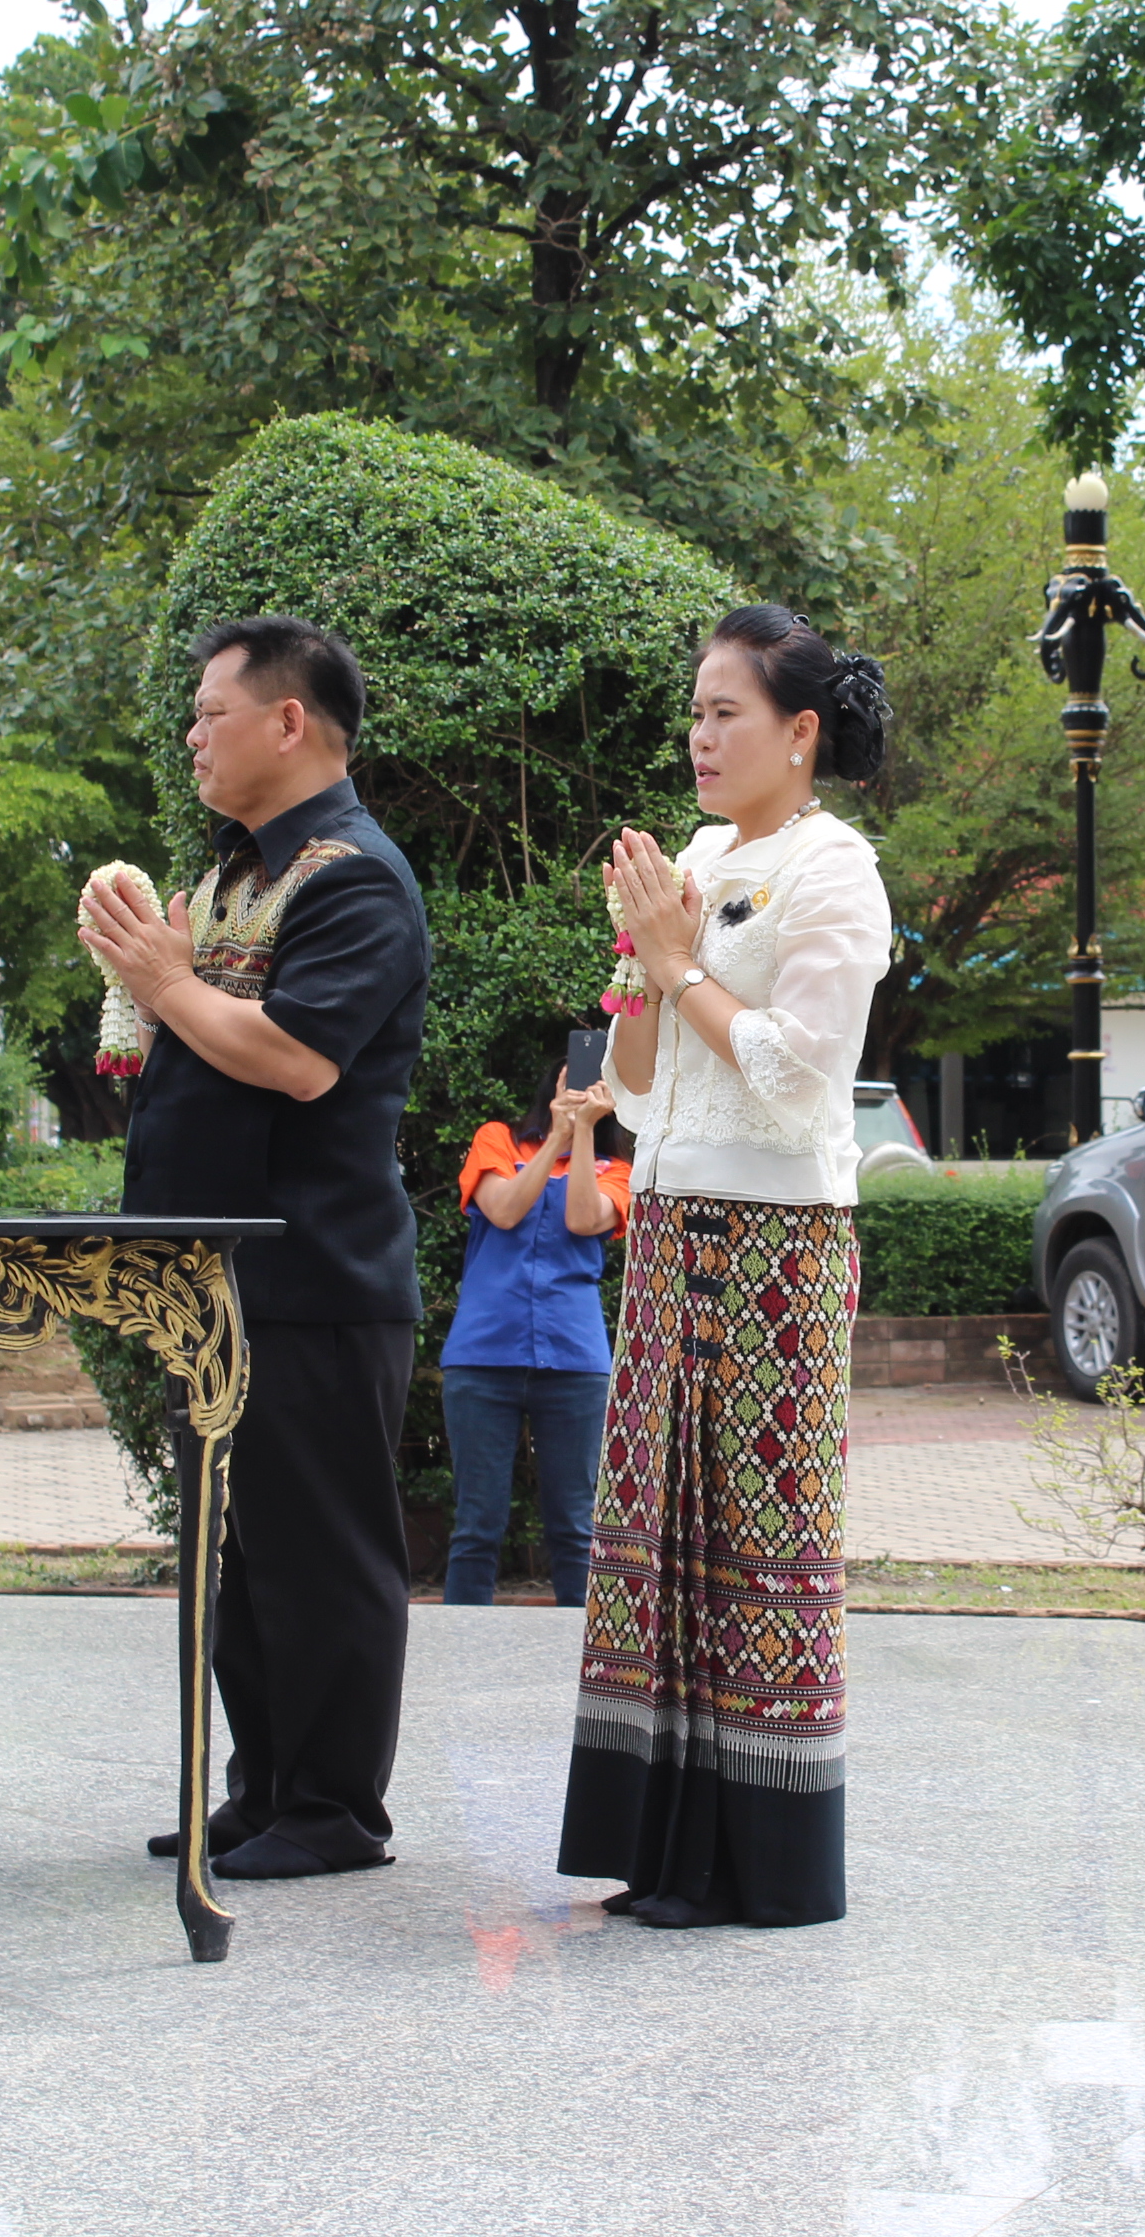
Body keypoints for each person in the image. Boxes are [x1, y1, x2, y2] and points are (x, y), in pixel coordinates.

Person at [79, 614, 430, 1882]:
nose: (193, 736)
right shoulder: (229, 876)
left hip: (314, 1271)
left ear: (290, 721)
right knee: (235, 1551)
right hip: (211, 1276)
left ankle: (336, 1810)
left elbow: (295, 1058)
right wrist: (145, 969)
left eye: (210, 713)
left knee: (322, 1554)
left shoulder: (357, 878)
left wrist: (168, 983)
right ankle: (265, 1786)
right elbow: (181, 1042)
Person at [557, 605, 893, 1929]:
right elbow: (639, 1093)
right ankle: (667, 1846)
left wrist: (677, 960)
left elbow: (800, 1072)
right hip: (673, 1223)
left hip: (777, 1241)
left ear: (799, 734)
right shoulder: (695, 857)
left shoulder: (834, 869)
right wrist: (644, 978)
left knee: (757, 1541)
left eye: (727, 714)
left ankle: (763, 1861)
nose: (700, 738)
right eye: (693, 714)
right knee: (654, 1539)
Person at [441, 1062, 632, 1606]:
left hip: (574, 1360)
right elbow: (501, 1211)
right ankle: (463, 1651)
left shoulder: (616, 1168)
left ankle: (581, 1663)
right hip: (483, 1354)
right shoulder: (496, 1140)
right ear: (549, 1084)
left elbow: (581, 1219)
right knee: (476, 1525)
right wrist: (556, 1139)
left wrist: (586, 1132)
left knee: (576, 1525)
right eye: (571, 1076)